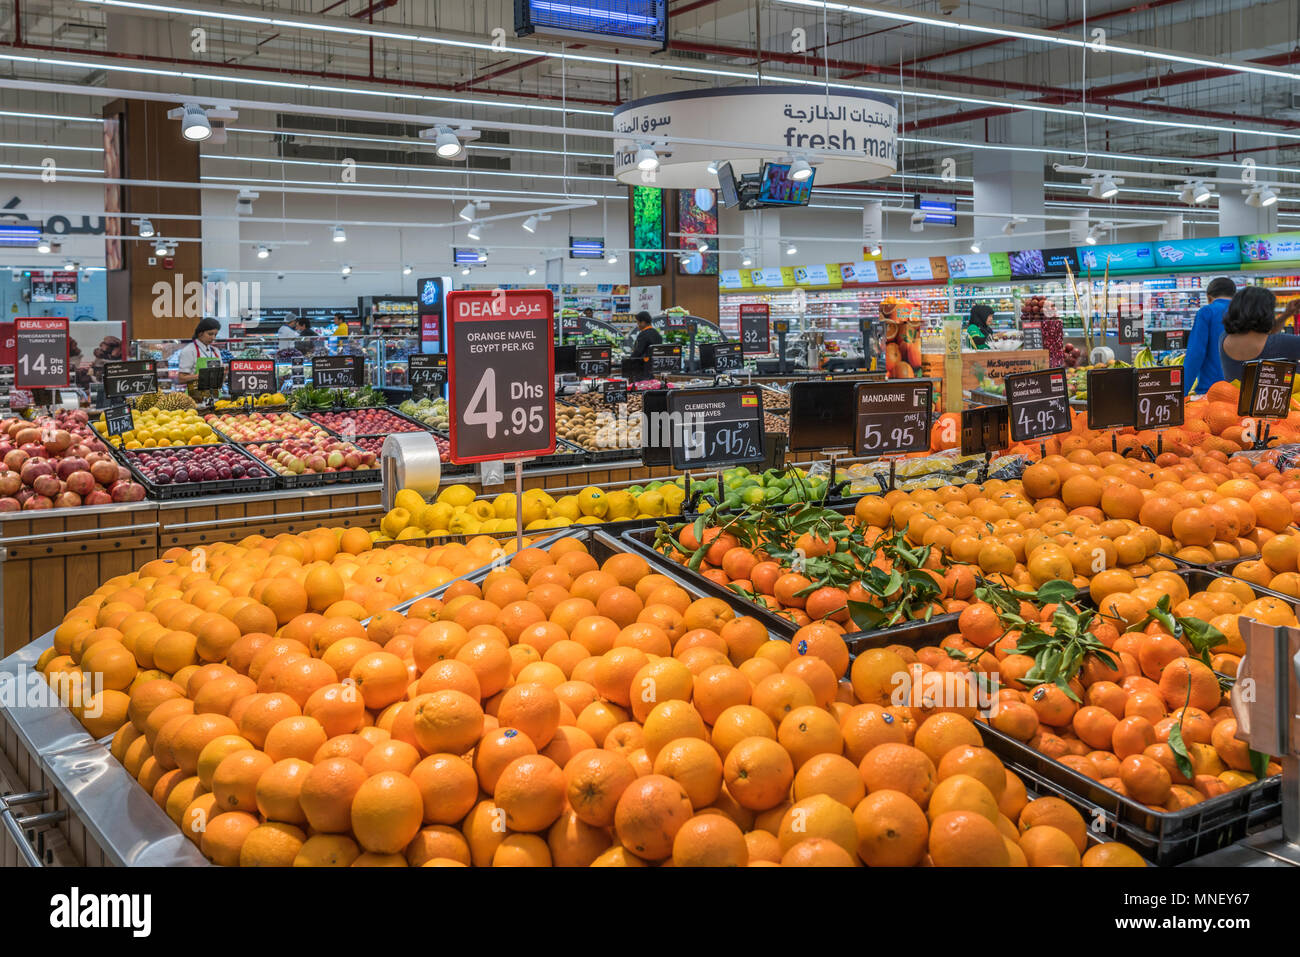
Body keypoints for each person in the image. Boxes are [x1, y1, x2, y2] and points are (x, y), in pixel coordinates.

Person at [1219, 286, 1300, 384]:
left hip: (1232, 397)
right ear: (1266, 313)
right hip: (1278, 398)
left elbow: (1266, 332)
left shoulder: (1224, 337)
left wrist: (1286, 315)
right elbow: (1269, 334)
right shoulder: (1282, 343)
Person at [1183, 277, 1236, 395]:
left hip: (1213, 390)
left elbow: (1196, 353)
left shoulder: (1207, 312)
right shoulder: (1245, 312)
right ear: (1234, 295)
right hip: (1241, 389)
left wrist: (1182, 391)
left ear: (1208, 297)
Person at [175, 317, 222, 387]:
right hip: (194, 396)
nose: (213, 338)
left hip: (215, 395)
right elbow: (181, 378)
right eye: (210, 334)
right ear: (200, 333)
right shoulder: (189, 351)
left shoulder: (216, 351)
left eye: (215, 335)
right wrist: (203, 376)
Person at [628, 310, 662, 379]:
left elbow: (638, 351)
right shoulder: (657, 334)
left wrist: (628, 361)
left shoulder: (643, 334)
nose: (638, 326)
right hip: (654, 367)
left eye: (638, 323)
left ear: (643, 322)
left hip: (643, 369)